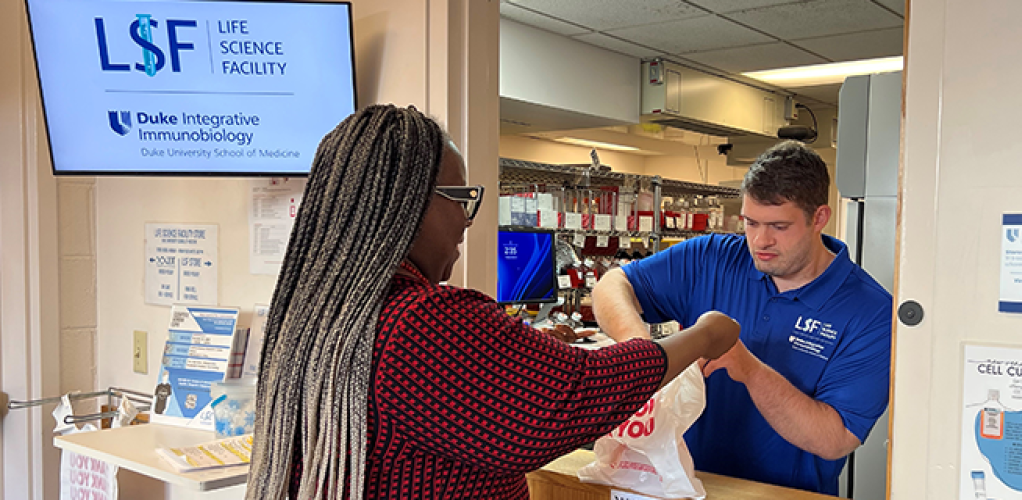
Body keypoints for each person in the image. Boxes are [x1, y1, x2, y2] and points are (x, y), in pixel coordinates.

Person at [246, 104, 740, 500]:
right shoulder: (420, 321)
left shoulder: (314, 318)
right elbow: (577, 394)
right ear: (411, 201)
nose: (467, 221)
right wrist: (704, 335)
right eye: (460, 198)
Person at [593, 140, 893, 495]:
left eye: (779, 226)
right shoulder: (711, 257)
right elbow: (612, 284)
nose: (760, 240)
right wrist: (639, 347)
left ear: (820, 218)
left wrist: (747, 368)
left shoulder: (871, 311)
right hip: (684, 487)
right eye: (751, 223)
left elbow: (836, 439)